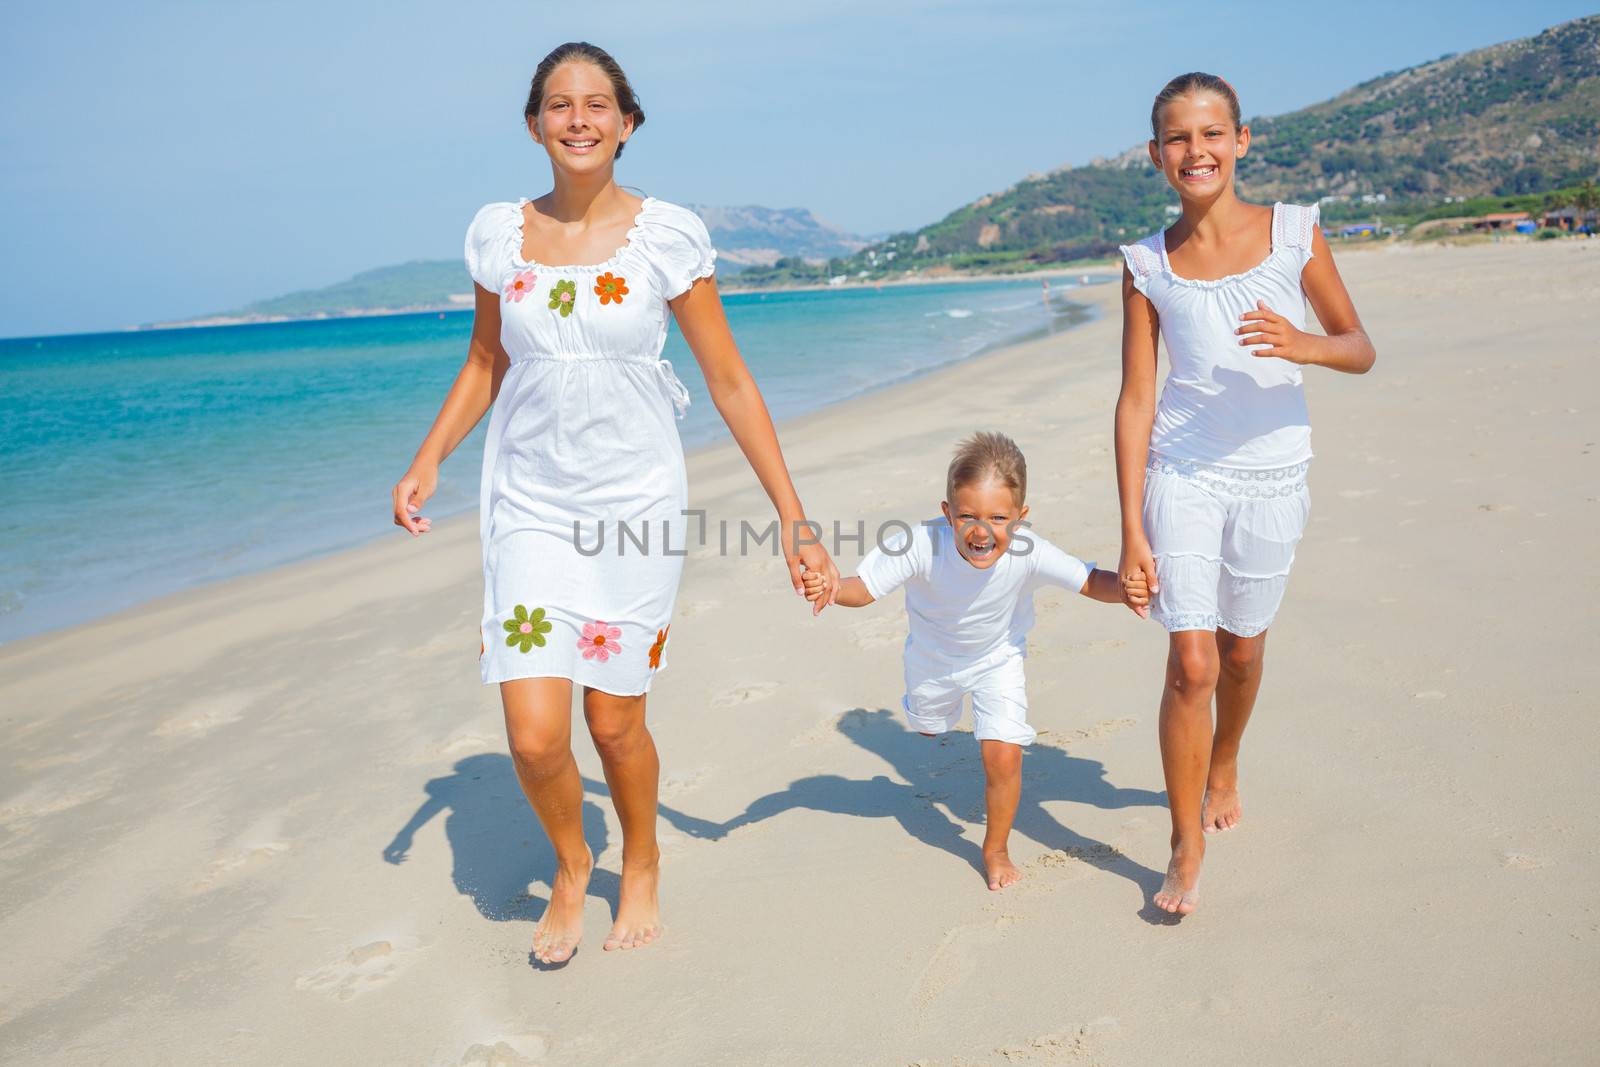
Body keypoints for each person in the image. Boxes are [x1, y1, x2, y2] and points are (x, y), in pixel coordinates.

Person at [391, 41, 840, 964]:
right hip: (528, 503)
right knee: (532, 732)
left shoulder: (665, 236)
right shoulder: (496, 234)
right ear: (534, 124)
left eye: (598, 104)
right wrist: (430, 455)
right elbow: (485, 360)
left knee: (612, 720)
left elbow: (728, 377)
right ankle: (570, 862)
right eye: (560, 104)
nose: (579, 119)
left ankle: (640, 856)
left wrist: (792, 515)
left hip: (633, 506)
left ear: (627, 123)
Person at [1113, 72, 1376, 915]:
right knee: (1191, 661)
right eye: (1179, 139)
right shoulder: (1146, 264)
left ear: (1242, 141)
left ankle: (1225, 760)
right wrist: (1130, 529)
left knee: (1242, 654)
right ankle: (1184, 838)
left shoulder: (1295, 233)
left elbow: (1360, 345)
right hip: (1181, 468)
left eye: (1211, 134)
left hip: (1271, 470)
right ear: (1156, 156)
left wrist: (1304, 343)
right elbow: (1136, 400)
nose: (1197, 151)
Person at [802, 431, 1133, 890]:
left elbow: (1090, 581)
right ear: (947, 514)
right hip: (932, 661)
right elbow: (864, 588)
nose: (982, 531)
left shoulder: (1028, 550)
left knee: (1004, 756)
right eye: (968, 517)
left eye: (999, 517)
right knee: (928, 728)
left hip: (999, 659)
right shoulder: (918, 544)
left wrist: (1131, 588)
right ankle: (930, 715)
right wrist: (833, 589)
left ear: (1020, 519)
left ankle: (995, 848)